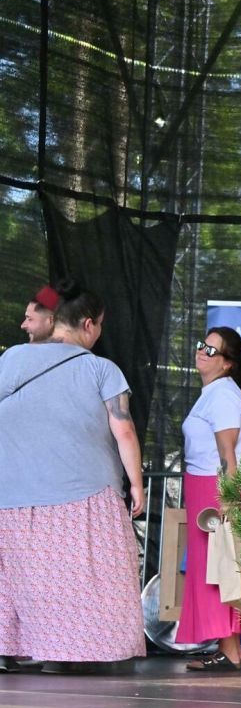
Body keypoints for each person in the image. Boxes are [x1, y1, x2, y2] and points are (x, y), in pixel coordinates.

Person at [0, 282, 145, 674]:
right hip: (83, 494)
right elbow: (124, 429)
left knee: (14, 577)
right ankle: (69, 655)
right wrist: (136, 484)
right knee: (83, 576)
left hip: (11, 496)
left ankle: (6, 648)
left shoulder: (11, 359)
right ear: (88, 324)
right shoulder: (101, 369)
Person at [177, 327, 241, 671]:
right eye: (202, 345)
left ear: (228, 363)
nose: (202, 351)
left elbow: (228, 454)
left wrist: (229, 499)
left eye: (212, 350)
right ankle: (232, 648)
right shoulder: (217, 393)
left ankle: (228, 650)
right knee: (220, 564)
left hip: (213, 488)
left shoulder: (223, 396)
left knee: (219, 566)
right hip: (206, 486)